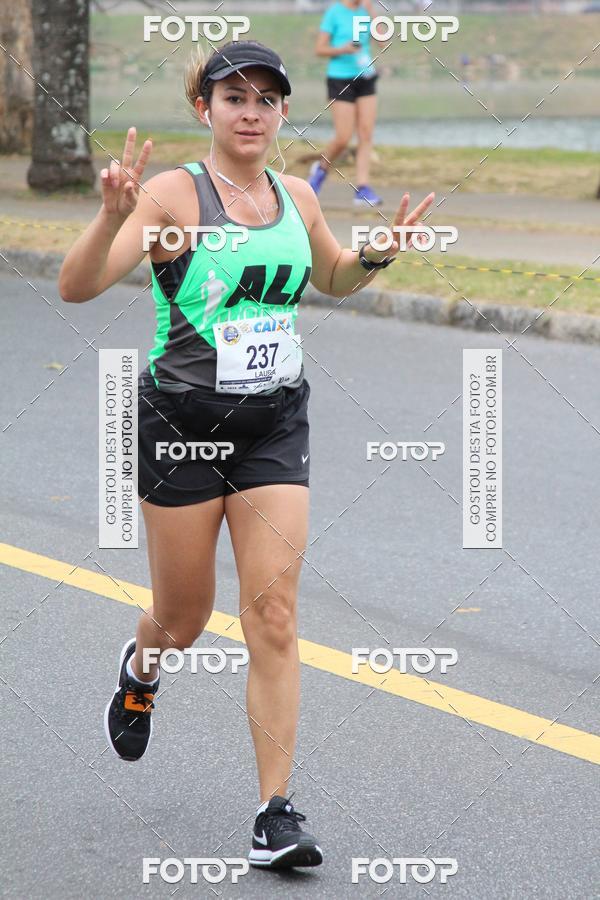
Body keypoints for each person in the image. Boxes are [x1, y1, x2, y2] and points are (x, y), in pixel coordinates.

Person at [58, 40, 433, 872]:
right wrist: (112, 218)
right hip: (183, 426)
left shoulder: (298, 195)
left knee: (273, 613)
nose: (254, 112)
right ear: (207, 110)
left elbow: (331, 277)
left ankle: (274, 814)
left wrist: (379, 252)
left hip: (273, 427)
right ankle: (142, 666)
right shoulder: (168, 195)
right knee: (184, 616)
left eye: (268, 99)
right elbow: (77, 287)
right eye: (237, 99)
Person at [310, 0, 388, 205]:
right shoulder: (334, 12)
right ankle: (320, 171)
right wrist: (343, 49)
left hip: (366, 77)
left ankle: (362, 188)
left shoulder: (366, 11)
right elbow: (319, 49)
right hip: (340, 79)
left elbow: (383, 41)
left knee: (366, 134)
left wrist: (372, 11)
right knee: (343, 137)